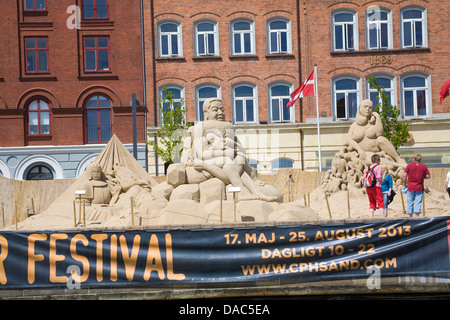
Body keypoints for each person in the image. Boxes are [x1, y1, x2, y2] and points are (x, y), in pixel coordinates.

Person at [366, 154, 385, 218]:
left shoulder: (368, 167)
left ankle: (371, 217)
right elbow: (379, 177)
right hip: (376, 186)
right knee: (380, 202)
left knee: (372, 202)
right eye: (379, 160)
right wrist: (383, 180)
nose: (380, 161)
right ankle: (382, 217)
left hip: (368, 186)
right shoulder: (378, 167)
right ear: (377, 160)